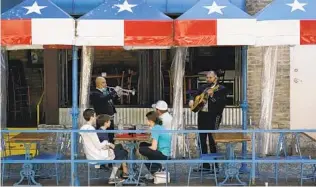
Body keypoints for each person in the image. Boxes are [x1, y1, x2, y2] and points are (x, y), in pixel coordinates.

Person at [189, 71, 227, 171]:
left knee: (212, 140)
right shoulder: (203, 87)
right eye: (207, 78)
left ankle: (215, 165)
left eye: (210, 77)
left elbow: (222, 103)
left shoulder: (221, 89)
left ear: (216, 78)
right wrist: (192, 100)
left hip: (213, 117)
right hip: (202, 116)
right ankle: (205, 165)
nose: (208, 79)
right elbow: (194, 94)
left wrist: (212, 96)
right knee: (201, 140)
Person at [80, 109, 129, 184]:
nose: (96, 117)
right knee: (122, 153)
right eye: (95, 115)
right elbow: (99, 146)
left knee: (120, 150)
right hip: (96, 155)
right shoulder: (91, 129)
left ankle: (121, 172)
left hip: (90, 154)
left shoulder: (83, 128)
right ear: (92, 117)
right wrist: (108, 143)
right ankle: (113, 177)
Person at [139, 111, 171, 175]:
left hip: (164, 154)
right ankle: (155, 167)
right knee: (142, 144)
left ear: (150, 120)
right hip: (166, 151)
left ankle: (156, 170)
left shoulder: (155, 128)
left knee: (141, 150)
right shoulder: (159, 126)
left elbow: (154, 147)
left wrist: (144, 149)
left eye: (147, 120)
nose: (146, 121)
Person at [90, 76, 118, 143]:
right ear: (98, 83)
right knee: (103, 138)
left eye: (105, 82)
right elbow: (103, 99)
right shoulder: (95, 93)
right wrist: (113, 92)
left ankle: (111, 151)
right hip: (102, 119)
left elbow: (110, 101)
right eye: (103, 82)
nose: (105, 84)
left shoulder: (105, 92)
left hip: (109, 118)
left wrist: (116, 95)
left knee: (111, 137)